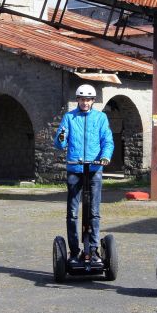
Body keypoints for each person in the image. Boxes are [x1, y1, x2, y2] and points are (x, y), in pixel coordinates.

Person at [54, 84, 114, 264]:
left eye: (88, 100)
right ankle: (73, 251)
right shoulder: (69, 117)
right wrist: (62, 136)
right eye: (82, 99)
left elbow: (107, 141)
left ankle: (93, 250)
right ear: (77, 100)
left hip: (94, 169)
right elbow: (59, 144)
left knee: (94, 212)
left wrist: (105, 156)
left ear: (93, 101)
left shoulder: (101, 117)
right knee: (72, 212)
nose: (85, 102)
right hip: (75, 168)